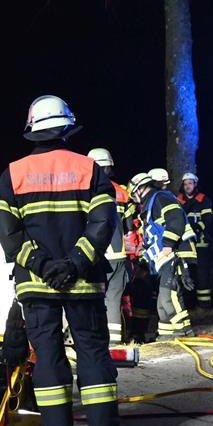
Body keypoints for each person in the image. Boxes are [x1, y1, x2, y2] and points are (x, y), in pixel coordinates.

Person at [0, 95, 129, 426]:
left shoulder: (13, 173)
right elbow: (102, 222)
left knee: (49, 353)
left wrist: (41, 264)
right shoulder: (89, 169)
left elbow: (8, 231)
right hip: (82, 281)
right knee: (92, 349)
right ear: (67, 128)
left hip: (36, 283)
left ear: (32, 130)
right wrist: (75, 263)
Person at [129, 172, 195, 340]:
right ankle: (167, 336)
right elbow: (152, 239)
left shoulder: (160, 197)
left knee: (169, 296)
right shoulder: (149, 206)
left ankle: (183, 333)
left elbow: (176, 219)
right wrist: (145, 262)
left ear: (141, 189)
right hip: (163, 257)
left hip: (175, 253)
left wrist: (167, 247)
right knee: (161, 303)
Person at [88, 148, 131, 345]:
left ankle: (97, 338)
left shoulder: (89, 191)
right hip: (119, 255)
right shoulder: (122, 192)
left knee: (94, 298)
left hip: (96, 254)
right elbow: (131, 226)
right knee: (114, 298)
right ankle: (114, 342)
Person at [176, 172, 213, 309]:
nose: (187, 186)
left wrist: (198, 227)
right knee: (187, 274)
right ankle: (189, 305)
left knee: (202, 274)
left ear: (195, 184)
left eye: (190, 183)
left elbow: (209, 220)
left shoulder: (203, 200)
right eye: (185, 184)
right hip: (185, 245)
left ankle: (205, 305)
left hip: (201, 243)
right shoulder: (178, 201)